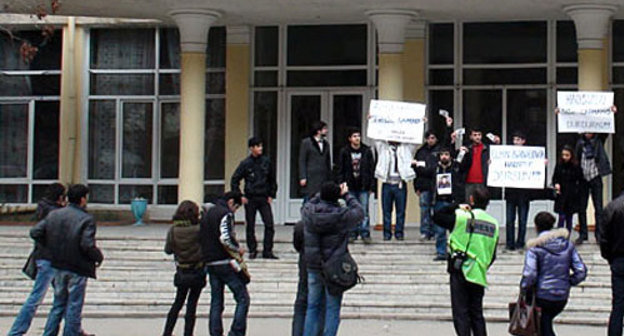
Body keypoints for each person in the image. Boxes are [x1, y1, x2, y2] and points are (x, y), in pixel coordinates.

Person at [30, 184, 104, 336]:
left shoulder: (54, 214)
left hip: (57, 264)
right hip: (77, 266)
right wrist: (98, 256)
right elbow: (86, 244)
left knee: (58, 304)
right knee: (74, 306)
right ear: (82, 199)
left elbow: (36, 232)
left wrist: (49, 245)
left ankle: (49, 333)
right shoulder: (86, 219)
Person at [433, 186, 499, 336]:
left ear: (471, 200)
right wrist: (483, 264)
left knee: (461, 313)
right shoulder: (493, 223)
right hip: (479, 272)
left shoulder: (462, 217)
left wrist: (456, 205)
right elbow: (493, 253)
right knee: (476, 313)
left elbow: (437, 216)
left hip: (460, 270)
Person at [8, 183, 72, 336]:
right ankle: (16, 331)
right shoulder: (55, 213)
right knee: (38, 297)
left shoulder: (44, 209)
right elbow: (39, 233)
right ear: (60, 197)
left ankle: (70, 329)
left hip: (46, 258)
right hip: (50, 260)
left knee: (63, 297)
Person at [302, 181, 364, 336]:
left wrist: (321, 193)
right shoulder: (341, 215)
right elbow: (359, 211)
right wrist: (347, 194)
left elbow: (312, 201)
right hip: (334, 266)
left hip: (313, 265)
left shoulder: (308, 212)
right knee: (332, 308)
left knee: (312, 306)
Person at [520, 212, 587, 336]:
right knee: (545, 325)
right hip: (561, 296)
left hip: (542, 294)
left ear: (536, 227)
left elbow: (530, 274)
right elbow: (581, 271)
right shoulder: (567, 246)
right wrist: (567, 282)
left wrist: (524, 288)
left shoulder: (535, 248)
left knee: (544, 326)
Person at [200, 191, 249, 336]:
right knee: (242, 298)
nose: (235, 211)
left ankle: (215, 332)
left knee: (216, 301)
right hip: (224, 262)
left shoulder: (207, 214)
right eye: (236, 207)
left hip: (210, 262)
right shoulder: (225, 214)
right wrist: (237, 249)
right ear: (231, 202)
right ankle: (236, 332)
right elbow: (225, 238)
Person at [231, 136, 279, 259]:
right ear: (251, 148)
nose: (260, 148)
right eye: (257, 146)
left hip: (263, 197)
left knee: (269, 224)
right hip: (250, 198)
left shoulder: (266, 162)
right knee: (250, 225)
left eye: (261, 146)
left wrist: (271, 194)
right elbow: (235, 179)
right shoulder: (246, 163)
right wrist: (239, 196)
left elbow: (272, 179)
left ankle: (268, 251)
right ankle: (252, 250)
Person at [162, 200, 205, 336]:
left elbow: (168, 250)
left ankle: (167, 332)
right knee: (192, 306)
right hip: (197, 270)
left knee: (178, 303)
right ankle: (188, 333)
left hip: (182, 270)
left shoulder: (173, 230)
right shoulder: (199, 229)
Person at [337, 127, 376, 244]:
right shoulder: (344, 151)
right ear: (350, 139)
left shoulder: (367, 151)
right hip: (350, 186)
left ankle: (365, 233)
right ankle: (352, 233)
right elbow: (340, 169)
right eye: (354, 136)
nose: (357, 138)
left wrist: (371, 186)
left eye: (358, 136)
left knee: (364, 210)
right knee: (351, 210)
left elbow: (371, 169)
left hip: (363, 186)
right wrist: (341, 183)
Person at [374, 139, 417, 240]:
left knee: (401, 211)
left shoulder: (406, 148)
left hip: (400, 183)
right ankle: (387, 234)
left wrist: (421, 124)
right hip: (387, 183)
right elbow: (376, 139)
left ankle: (399, 233)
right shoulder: (383, 148)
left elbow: (415, 141)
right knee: (386, 210)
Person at [575, 132, 611, 245]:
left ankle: (599, 235)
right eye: (586, 131)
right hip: (583, 178)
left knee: (598, 208)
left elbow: (606, 130)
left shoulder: (598, 140)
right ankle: (583, 234)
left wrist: (612, 114)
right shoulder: (579, 142)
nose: (588, 133)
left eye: (590, 131)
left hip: (595, 177)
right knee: (581, 208)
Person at [431, 147, 465, 261]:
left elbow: (467, 164)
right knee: (440, 229)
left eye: (446, 154)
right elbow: (424, 173)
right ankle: (441, 252)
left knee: (454, 228)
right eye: (442, 154)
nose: (444, 157)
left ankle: (454, 251)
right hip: (439, 201)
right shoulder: (435, 168)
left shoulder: (456, 167)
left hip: (452, 201)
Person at [292, 220, 324, 336]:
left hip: (306, 264)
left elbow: (297, 244)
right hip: (324, 266)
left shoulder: (303, 224)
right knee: (320, 305)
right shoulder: (332, 221)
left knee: (302, 303)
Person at [599, 190, 624, 336]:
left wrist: (609, 257)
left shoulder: (612, 207)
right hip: (617, 258)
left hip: (618, 259)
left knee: (618, 304)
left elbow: (604, 238)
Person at [504, 131, 532, 251]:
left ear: (523, 141)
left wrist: (541, 164)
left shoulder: (530, 154)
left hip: (524, 193)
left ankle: (520, 242)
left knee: (522, 219)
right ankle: (509, 243)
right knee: (510, 220)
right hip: (511, 192)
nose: (516, 142)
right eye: (515, 140)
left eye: (519, 140)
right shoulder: (507, 154)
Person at [414, 130, 442, 241]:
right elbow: (416, 170)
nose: (431, 140)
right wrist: (416, 187)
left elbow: (437, 168)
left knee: (436, 209)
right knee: (424, 209)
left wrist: (426, 169)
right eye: (429, 138)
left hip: (437, 185)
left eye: (433, 138)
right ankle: (425, 232)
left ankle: (435, 232)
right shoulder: (420, 152)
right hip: (423, 184)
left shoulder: (439, 151)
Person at [458, 128, 500, 202]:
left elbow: (498, 156)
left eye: (479, 135)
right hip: (469, 182)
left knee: (481, 204)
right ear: (471, 137)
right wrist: (463, 154)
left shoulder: (487, 148)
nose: (477, 137)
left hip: (482, 182)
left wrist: (497, 143)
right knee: (469, 205)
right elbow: (460, 165)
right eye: (475, 135)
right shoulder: (467, 148)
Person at [552, 145, 583, 233]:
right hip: (561, 194)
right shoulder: (559, 165)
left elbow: (579, 179)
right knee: (561, 217)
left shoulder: (576, 166)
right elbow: (555, 177)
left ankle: (567, 236)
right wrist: (556, 184)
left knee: (569, 218)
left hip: (571, 195)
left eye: (567, 155)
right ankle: (559, 235)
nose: (564, 157)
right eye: (563, 155)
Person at [299, 121, 332, 202]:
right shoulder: (306, 143)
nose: (326, 131)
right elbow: (302, 160)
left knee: (322, 200)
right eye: (324, 129)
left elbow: (328, 161)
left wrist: (329, 177)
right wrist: (302, 176)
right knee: (309, 200)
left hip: (323, 178)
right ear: (318, 131)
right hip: (311, 177)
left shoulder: (326, 144)